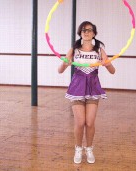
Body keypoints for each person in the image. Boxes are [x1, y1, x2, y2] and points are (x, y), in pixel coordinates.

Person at [58, 21, 115, 164]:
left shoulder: (99, 50)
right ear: (80, 33)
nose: (86, 32)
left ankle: (89, 148)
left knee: (89, 122)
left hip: (93, 88)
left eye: (89, 30)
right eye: (83, 30)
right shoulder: (74, 49)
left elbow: (112, 71)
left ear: (94, 33)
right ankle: (78, 148)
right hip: (77, 87)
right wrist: (66, 62)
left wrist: (107, 63)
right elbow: (60, 70)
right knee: (80, 122)